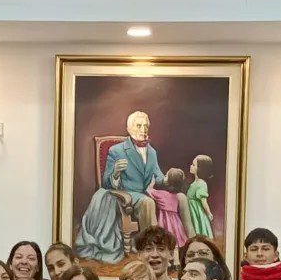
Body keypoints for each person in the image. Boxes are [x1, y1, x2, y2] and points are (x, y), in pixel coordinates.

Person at [75, 111, 189, 263]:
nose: (143, 129)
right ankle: (153, 248)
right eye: (139, 125)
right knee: (147, 202)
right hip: (128, 194)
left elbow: (159, 177)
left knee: (181, 197)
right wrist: (115, 172)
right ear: (129, 129)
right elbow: (106, 184)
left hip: (147, 193)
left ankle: (192, 244)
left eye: (146, 126)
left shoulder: (151, 152)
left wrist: (170, 180)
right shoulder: (117, 151)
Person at [147, 168, 190, 248]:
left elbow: (149, 190)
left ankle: (169, 258)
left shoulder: (161, 194)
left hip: (164, 221)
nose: (164, 176)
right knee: (176, 241)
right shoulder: (177, 196)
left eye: (166, 175)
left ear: (168, 181)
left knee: (166, 241)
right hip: (176, 222)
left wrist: (152, 183)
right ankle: (176, 259)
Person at [185, 154, 215, 238]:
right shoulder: (193, 183)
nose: (191, 166)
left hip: (196, 212)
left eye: (194, 165)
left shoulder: (202, 183)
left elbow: (203, 201)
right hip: (191, 211)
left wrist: (209, 213)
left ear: (200, 169)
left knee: (198, 228)